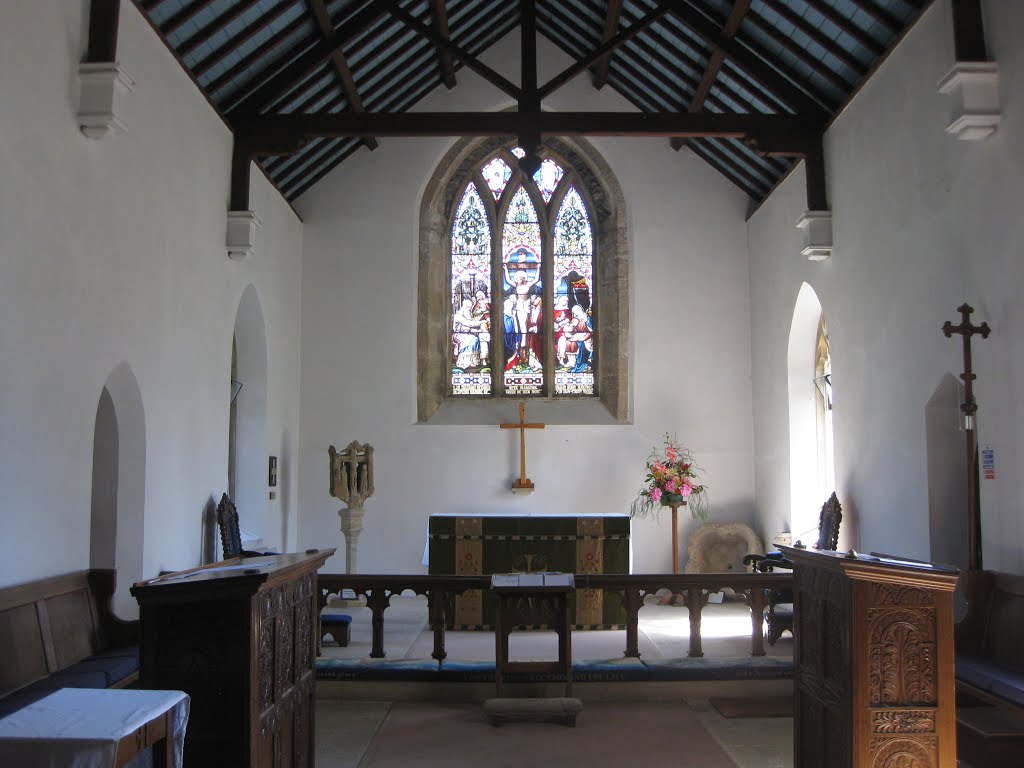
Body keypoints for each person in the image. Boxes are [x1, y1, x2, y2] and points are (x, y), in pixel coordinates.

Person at [557, 304, 593, 372]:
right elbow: (573, 329)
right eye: (574, 312)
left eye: (576, 311)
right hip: (577, 336)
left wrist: (582, 338)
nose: (575, 313)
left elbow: (590, 331)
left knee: (581, 345)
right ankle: (571, 362)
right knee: (564, 340)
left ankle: (581, 364)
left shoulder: (587, 318)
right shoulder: (576, 319)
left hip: (586, 339)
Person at [452, 299, 482, 370]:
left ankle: (473, 362)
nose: (469, 309)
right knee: (474, 339)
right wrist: (480, 322)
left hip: (467, 334)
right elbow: (467, 323)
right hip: (459, 335)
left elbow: (469, 327)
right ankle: (464, 362)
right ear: (465, 307)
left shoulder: (467, 314)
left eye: (470, 307)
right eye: (468, 307)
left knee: (476, 339)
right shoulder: (458, 315)